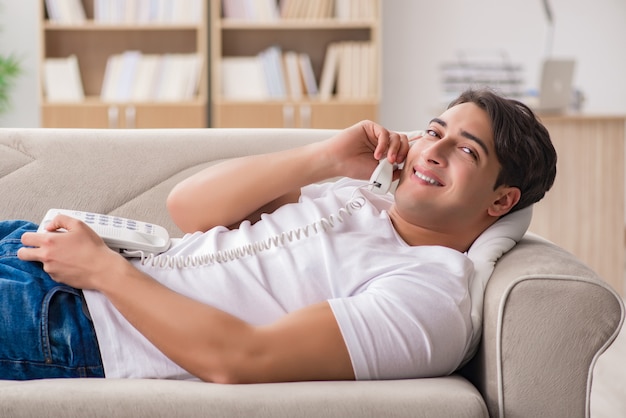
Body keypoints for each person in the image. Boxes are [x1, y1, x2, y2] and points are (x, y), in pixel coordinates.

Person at [3, 88, 556, 382]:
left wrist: (100, 270)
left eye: (466, 150)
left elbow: (241, 358)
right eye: (435, 131)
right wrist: (326, 158)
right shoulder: (360, 198)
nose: (432, 150)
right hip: (51, 251)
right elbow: (188, 208)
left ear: (501, 201)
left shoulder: (429, 295)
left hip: (71, 321)